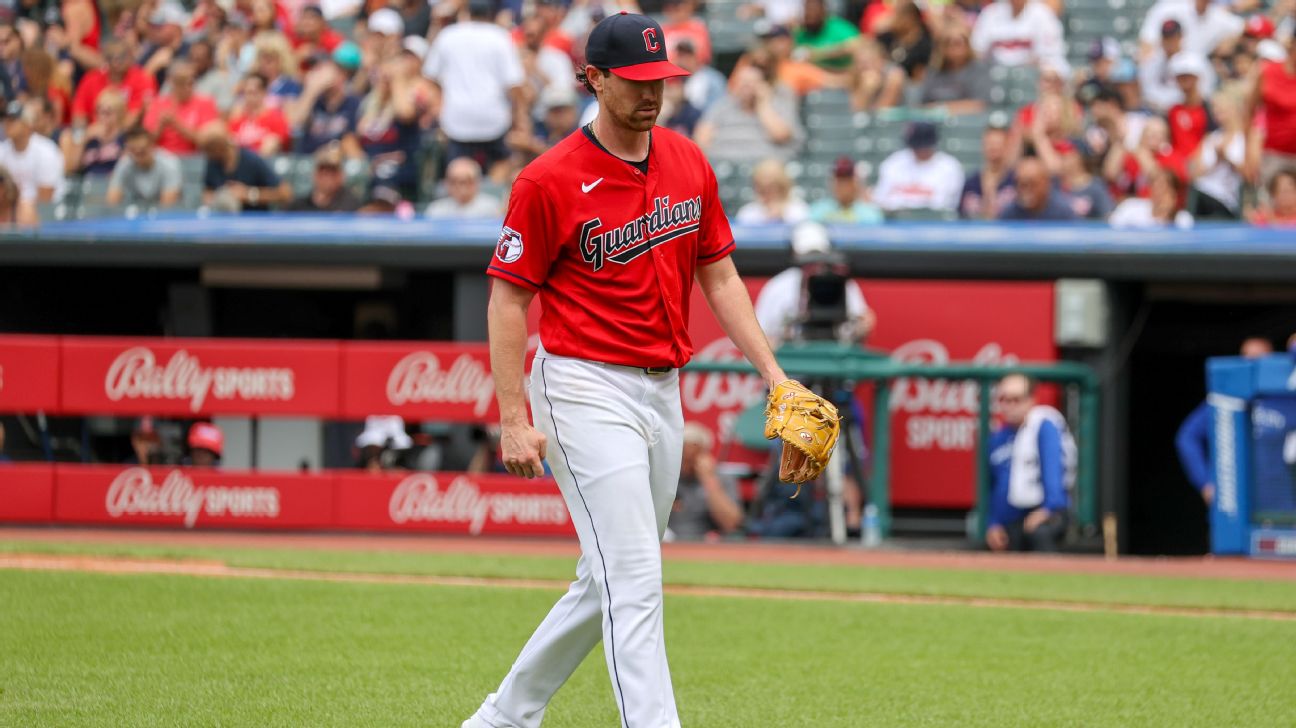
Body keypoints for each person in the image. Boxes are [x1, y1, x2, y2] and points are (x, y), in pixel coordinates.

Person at [464, 13, 793, 728]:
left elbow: (723, 277)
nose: (653, 94)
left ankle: (502, 718)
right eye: (638, 82)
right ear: (594, 79)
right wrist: (514, 418)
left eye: (662, 81)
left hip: (660, 388)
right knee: (636, 576)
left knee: (606, 575)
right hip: (582, 383)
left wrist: (774, 375)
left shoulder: (686, 159)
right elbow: (508, 298)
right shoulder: (547, 179)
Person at [424, 0, 527, 184]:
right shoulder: (500, 36)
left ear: (467, 12)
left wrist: (439, 105)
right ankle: (491, 195)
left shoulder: (449, 34)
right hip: (493, 116)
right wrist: (521, 118)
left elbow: (430, 76)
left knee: (458, 170)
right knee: (502, 162)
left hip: (457, 117)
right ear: (490, 14)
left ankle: (469, 202)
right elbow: (514, 85)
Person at [1176, 337, 1273, 507]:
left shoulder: (1284, 399)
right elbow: (1187, 437)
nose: (1252, 365)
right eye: (1247, 359)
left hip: (1276, 497)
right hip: (1232, 498)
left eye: (1259, 359)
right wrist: (1205, 482)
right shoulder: (1226, 399)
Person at [985, 373, 1074, 553]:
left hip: (1045, 510)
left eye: (1016, 399)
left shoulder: (1043, 426)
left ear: (1031, 400)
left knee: (1040, 534)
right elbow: (993, 486)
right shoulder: (997, 438)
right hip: (1013, 516)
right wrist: (993, 523)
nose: (1009, 406)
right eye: (1004, 399)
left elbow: (1053, 472)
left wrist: (1048, 509)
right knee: (1005, 540)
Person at [754, 220, 875, 348]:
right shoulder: (778, 286)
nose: (813, 260)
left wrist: (863, 325)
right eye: (807, 255)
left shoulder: (843, 283)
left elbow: (861, 322)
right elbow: (760, 334)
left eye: (818, 253)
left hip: (835, 356)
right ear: (794, 253)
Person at [693, 64, 803, 164]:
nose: (746, 87)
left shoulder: (777, 105)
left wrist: (763, 105)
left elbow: (781, 136)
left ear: (763, 85)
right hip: (722, 162)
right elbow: (701, 140)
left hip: (763, 163)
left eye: (751, 83)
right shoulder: (722, 106)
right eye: (742, 82)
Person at [665, 423, 744, 540]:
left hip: (706, 544)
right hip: (667, 541)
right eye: (682, 457)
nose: (685, 465)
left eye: (691, 458)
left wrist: (708, 479)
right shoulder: (665, 478)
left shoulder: (720, 478)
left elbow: (732, 524)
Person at [199, 120, 292, 212]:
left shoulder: (251, 161)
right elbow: (208, 189)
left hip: (255, 220)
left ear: (218, 148)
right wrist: (214, 199)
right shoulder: (213, 163)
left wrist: (249, 194)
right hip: (223, 220)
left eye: (209, 150)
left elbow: (285, 193)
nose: (207, 155)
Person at [872, 121, 964, 212]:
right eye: (915, 146)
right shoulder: (893, 163)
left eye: (923, 146)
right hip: (896, 222)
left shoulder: (950, 166)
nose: (919, 150)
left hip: (935, 223)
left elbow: (947, 205)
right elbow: (881, 200)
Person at [70, 40, 156, 127]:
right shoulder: (91, 79)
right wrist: (80, 136)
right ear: (104, 59)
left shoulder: (142, 79)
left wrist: (109, 133)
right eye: (111, 57)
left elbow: (133, 117)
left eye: (121, 56)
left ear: (130, 57)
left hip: (127, 134)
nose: (116, 62)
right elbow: (79, 114)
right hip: (95, 132)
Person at [1189, 89, 1246, 220]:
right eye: (1214, 109)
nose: (1216, 112)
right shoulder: (1210, 139)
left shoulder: (1244, 138)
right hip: (1202, 195)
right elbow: (1194, 174)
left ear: (1234, 109)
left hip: (1227, 200)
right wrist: (1216, 161)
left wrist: (1226, 157)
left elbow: (1248, 174)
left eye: (1221, 109)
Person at [141, 60, 220, 155]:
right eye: (181, 82)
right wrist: (160, 126)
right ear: (171, 82)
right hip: (162, 157)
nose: (188, 87)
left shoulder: (206, 103)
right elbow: (146, 143)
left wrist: (176, 124)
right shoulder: (157, 103)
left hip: (194, 158)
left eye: (191, 82)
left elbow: (206, 142)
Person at [0, 100, 65, 203]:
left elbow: (46, 198)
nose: (7, 124)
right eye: (6, 119)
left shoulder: (46, 151)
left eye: (13, 120)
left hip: (47, 214)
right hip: (10, 213)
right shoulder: (2, 151)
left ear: (27, 125)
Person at [918, 22, 990, 115]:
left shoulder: (979, 70)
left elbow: (979, 105)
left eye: (958, 43)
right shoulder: (934, 71)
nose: (954, 48)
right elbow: (923, 106)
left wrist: (941, 109)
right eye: (949, 43)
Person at [970, 0, 1064, 68]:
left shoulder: (1043, 13)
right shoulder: (990, 13)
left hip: (1031, 73)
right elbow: (977, 50)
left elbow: (1048, 55)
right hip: (995, 74)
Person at [106, 126, 182, 208]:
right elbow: (112, 202)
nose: (138, 157)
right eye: (134, 152)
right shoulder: (124, 163)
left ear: (152, 146)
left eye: (142, 151)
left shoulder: (169, 164)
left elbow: (167, 206)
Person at [60, 87, 125, 176]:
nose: (103, 117)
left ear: (120, 114)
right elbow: (70, 168)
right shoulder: (88, 136)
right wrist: (85, 138)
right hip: (88, 185)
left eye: (108, 113)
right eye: (100, 112)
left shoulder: (125, 138)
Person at [959, 121, 1016, 219]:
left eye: (998, 143)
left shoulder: (1016, 181)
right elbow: (960, 216)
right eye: (989, 143)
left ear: (1007, 145)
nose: (993, 147)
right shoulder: (971, 182)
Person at [1109, 166, 1194, 228]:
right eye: (1156, 186)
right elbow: (1111, 228)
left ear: (1174, 195)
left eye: (1165, 189)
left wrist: (1167, 217)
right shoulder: (1130, 207)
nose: (1159, 193)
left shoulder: (1183, 219)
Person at [229, 73, 292, 156]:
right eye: (246, 93)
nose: (249, 97)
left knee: (271, 142)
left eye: (252, 92)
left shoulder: (276, 117)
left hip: (266, 162)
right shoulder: (238, 119)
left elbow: (281, 141)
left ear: (263, 93)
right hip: (241, 163)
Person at [285, 143, 360, 212]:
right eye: (323, 172)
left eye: (332, 173)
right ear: (315, 175)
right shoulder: (299, 205)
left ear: (341, 176)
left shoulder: (349, 203)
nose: (327, 178)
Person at [1165, 52, 1214, 158]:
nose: (1184, 80)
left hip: (1203, 165)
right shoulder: (1172, 110)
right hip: (1177, 165)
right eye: (1180, 77)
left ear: (1197, 77)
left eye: (1188, 76)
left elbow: (1212, 137)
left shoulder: (1210, 108)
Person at [998, 155, 1077, 220]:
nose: (1026, 190)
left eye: (1032, 184)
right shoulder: (1010, 213)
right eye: (1022, 184)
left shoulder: (1063, 212)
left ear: (1046, 184)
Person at [809, 155, 884, 223]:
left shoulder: (870, 214)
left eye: (847, 181)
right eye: (839, 181)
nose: (843, 186)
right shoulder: (818, 210)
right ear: (831, 183)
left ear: (855, 183)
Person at [735, 158, 809, 223]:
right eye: (762, 189)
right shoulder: (747, 213)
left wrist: (781, 217)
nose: (768, 193)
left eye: (772, 187)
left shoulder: (798, 209)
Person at [793, 0, 860, 72]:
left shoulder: (837, 27)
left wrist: (818, 54)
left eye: (814, 10)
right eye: (807, 10)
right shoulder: (800, 33)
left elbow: (858, 44)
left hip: (842, 72)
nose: (810, 13)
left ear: (823, 11)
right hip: (812, 77)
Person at [425, 157, 501, 218]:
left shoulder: (492, 209)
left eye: (466, 181)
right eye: (453, 181)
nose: (460, 187)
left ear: (477, 182)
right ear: (446, 183)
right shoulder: (436, 210)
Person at [1058, 139, 1115, 220]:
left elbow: (1108, 216)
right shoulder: (1055, 184)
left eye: (1064, 156)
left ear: (1079, 157)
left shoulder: (1095, 186)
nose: (1061, 159)